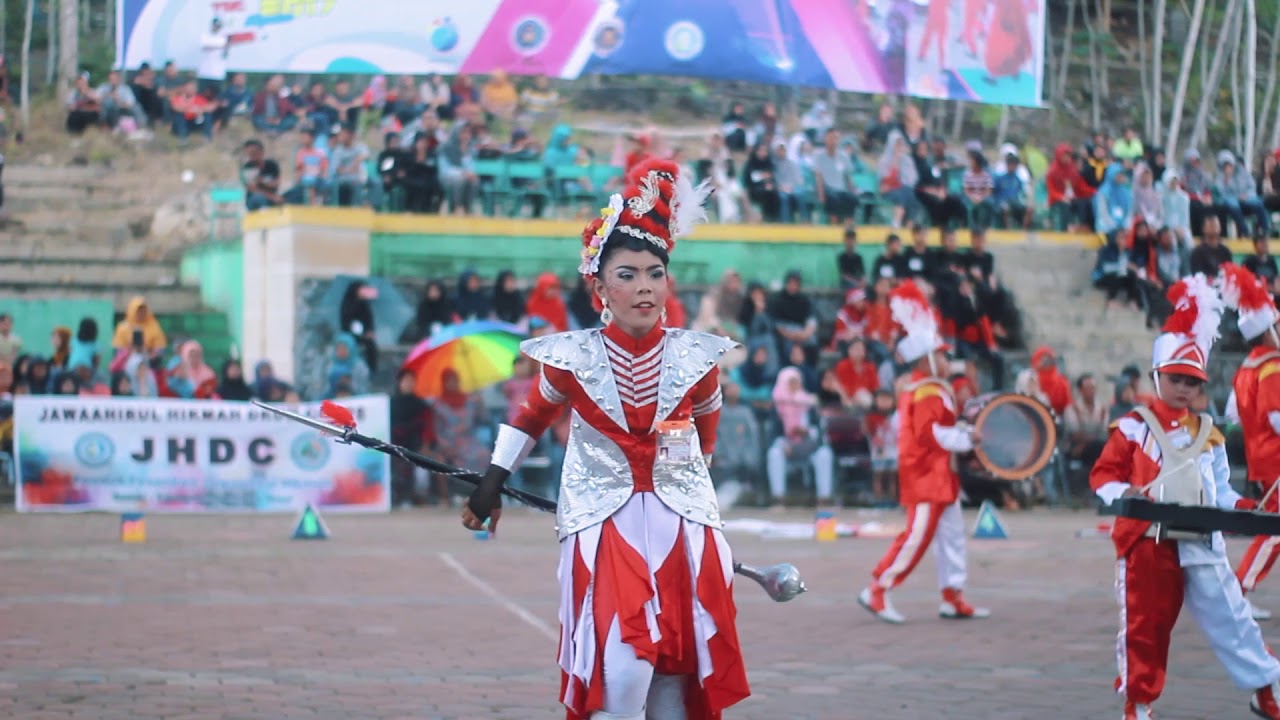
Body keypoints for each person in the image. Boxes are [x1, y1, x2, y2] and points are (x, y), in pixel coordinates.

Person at [458, 159, 750, 719]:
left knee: (675, 671)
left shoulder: (698, 357)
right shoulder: (572, 358)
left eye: (654, 273)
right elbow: (530, 418)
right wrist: (490, 485)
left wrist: (695, 491)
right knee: (623, 666)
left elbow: (705, 432)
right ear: (598, 286)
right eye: (627, 274)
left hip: (681, 526)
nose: (644, 287)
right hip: (604, 525)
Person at [1089, 274, 1280, 720]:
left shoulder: (1210, 434)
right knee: (1145, 626)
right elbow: (1103, 476)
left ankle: (1266, 689)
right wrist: (1125, 494)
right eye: (1175, 378)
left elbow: (1220, 492)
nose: (1183, 389)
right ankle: (1138, 702)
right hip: (1149, 542)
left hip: (1203, 541)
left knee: (1235, 621)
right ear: (1157, 376)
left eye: (1191, 381)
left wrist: (1242, 508)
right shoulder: (1133, 426)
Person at [857, 279, 990, 624]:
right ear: (928, 360)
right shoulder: (927, 391)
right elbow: (933, 435)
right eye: (942, 355)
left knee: (951, 537)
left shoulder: (929, 388)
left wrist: (962, 434)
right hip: (927, 474)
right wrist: (968, 438)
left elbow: (939, 430)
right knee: (916, 538)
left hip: (939, 475)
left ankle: (952, 595)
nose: (948, 359)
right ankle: (878, 588)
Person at [1221, 263, 1280, 621]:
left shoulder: (1247, 367)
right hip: (1276, 457)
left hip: (1260, 456)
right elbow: (1276, 416)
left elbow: (1232, 414)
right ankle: (1238, 589)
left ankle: (1238, 589)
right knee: (1275, 529)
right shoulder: (1273, 364)